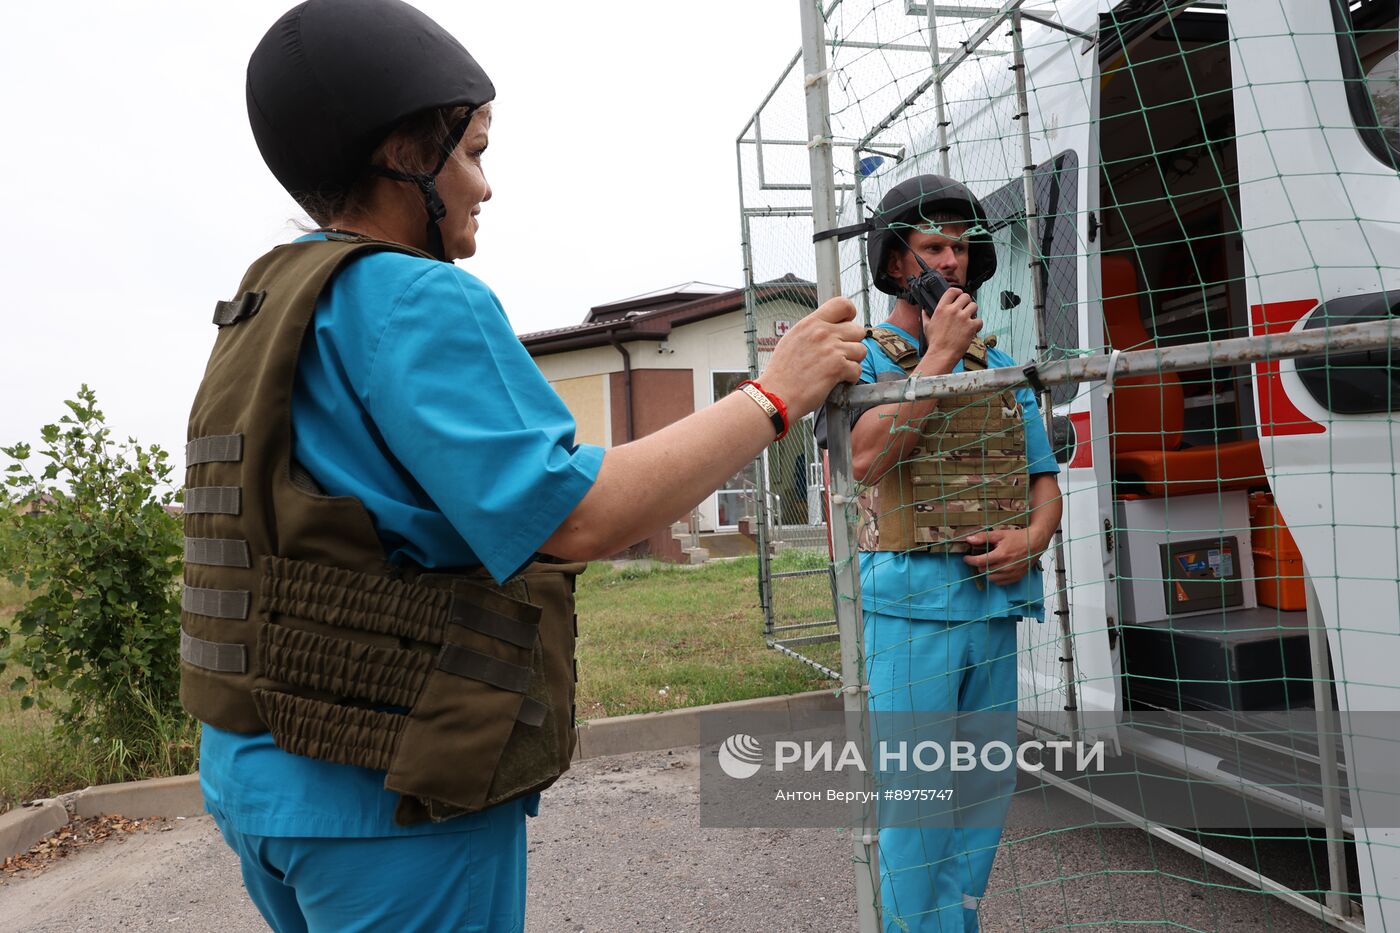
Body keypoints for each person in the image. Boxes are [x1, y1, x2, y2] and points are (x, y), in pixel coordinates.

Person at [180, 2, 868, 931]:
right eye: (472, 151)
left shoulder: (266, 301)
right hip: (394, 797)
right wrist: (774, 395)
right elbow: (576, 516)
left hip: (256, 777)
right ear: (402, 156)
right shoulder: (416, 295)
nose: (485, 185)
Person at [819, 174, 1063, 931]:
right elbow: (863, 460)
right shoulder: (864, 358)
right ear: (898, 262)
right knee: (919, 800)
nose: (951, 261)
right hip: (910, 610)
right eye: (933, 247)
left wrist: (1032, 538)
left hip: (992, 604)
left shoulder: (998, 359)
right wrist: (937, 358)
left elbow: (1043, 479)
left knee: (984, 796)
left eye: (961, 247)